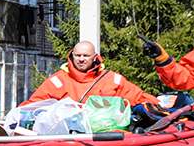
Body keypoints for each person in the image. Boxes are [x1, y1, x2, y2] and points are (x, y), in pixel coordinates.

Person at [21, 40, 155, 107]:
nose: (81, 59)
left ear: (95, 57)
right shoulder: (58, 81)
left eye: (85, 55)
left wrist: (162, 105)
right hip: (68, 139)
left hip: (106, 139)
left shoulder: (112, 79)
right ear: (72, 55)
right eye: (77, 55)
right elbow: (33, 105)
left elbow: (138, 97)